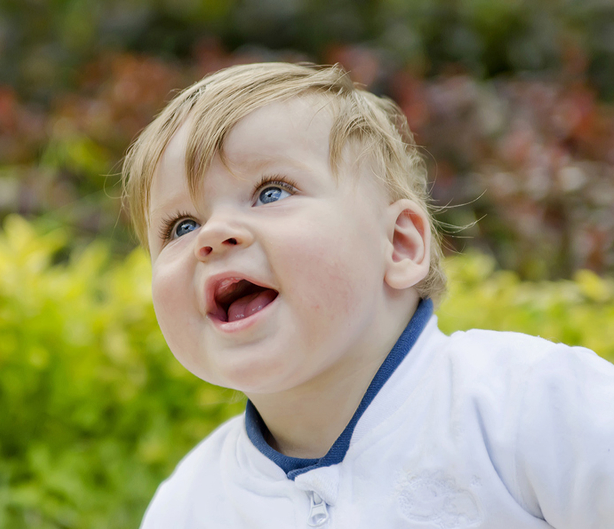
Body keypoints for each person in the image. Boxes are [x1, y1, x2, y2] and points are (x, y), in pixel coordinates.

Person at [120, 62, 614, 528]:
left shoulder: (532, 405)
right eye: (181, 226)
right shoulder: (189, 504)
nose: (211, 235)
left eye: (271, 192)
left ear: (398, 244)